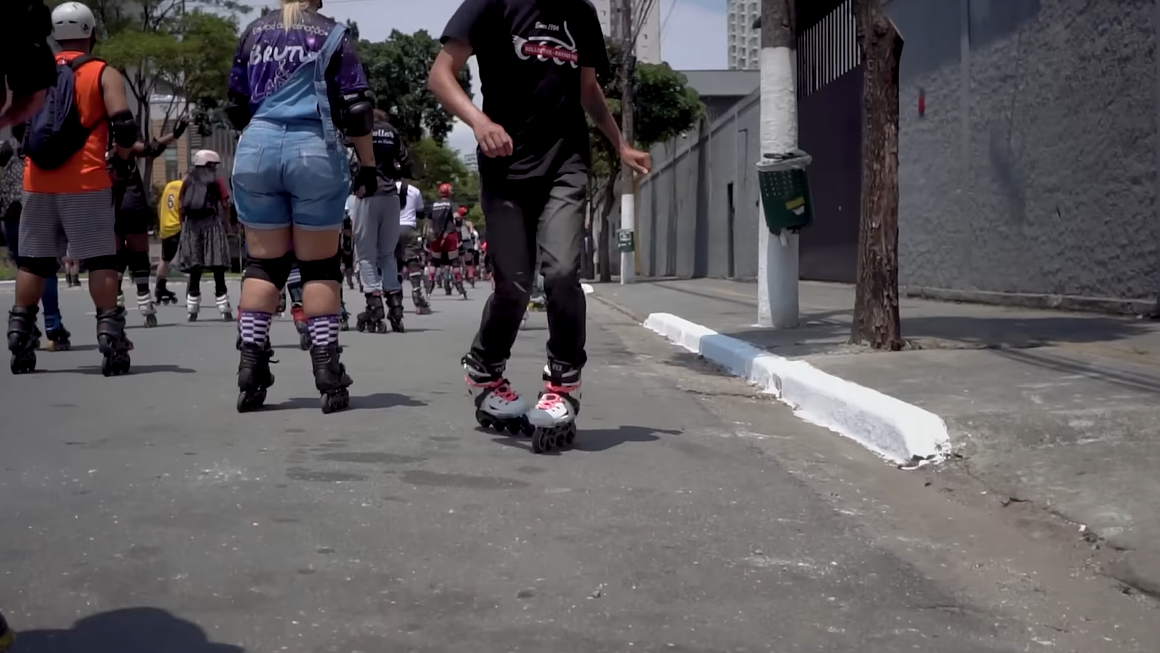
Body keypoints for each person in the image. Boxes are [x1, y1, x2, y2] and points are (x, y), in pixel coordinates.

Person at [429, 0, 652, 450]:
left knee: (563, 270)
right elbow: (440, 74)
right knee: (512, 286)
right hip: (504, 165)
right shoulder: (491, 4)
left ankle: (564, 383)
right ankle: (484, 370)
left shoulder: (582, 14)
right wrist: (479, 121)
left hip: (565, 164)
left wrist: (620, 145)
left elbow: (588, 91)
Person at [227, 0, 377, 414]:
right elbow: (359, 112)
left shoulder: (253, 33)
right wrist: (367, 166)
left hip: (255, 150)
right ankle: (328, 372)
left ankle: (251, 368)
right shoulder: (330, 32)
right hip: (312, 150)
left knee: (264, 265)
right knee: (318, 267)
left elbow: (236, 105)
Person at [8, 1, 140, 376]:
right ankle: (111, 335)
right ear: (92, 34)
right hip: (87, 180)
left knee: (34, 260)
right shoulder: (102, 72)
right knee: (100, 260)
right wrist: (123, 158)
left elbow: (19, 129)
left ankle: (20, 333)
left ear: (53, 34)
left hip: (37, 182)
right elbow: (125, 127)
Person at [109, 117, 188, 326]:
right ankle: (144, 302)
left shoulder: (105, 153)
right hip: (133, 204)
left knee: (116, 258)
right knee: (138, 256)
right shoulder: (132, 149)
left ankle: (116, 302)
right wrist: (175, 134)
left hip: (111, 206)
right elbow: (153, 148)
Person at [0, 124, 70, 350]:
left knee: (26, 270)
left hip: (10, 215)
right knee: (45, 269)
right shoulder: (44, 145)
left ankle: (25, 326)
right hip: (36, 208)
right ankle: (53, 327)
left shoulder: (7, 148)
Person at [352, 109, 410, 334]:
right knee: (387, 254)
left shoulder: (362, 130)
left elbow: (350, 159)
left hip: (368, 195)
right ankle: (396, 308)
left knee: (366, 255)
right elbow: (405, 163)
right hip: (391, 197)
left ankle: (375, 304)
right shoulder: (392, 133)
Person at [177, 150, 233, 322]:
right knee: (217, 267)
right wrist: (227, 224)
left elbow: (180, 205)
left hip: (191, 226)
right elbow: (225, 203)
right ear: (210, 164)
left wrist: (183, 226)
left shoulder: (188, 180)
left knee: (195, 268)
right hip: (211, 224)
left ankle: (192, 308)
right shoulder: (216, 180)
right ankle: (224, 307)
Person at [395, 177, 430, 314]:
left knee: (395, 263)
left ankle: (396, 297)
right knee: (412, 261)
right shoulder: (414, 191)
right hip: (409, 229)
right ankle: (416, 292)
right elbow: (421, 213)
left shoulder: (386, 189)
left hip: (390, 230)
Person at [424, 183, 465, 298]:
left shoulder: (433, 205)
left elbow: (428, 223)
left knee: (434, 262)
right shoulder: (452, 204)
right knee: (455, 262)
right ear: (449, 192)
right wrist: (459, 225)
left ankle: (429, 289)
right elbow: (457, 217)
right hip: (450, 235)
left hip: (436, 237)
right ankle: (460, 288)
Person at [155, 175, 183, 305]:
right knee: (189, 258)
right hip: (176, 227)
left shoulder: (168, 186)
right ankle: (192, 291)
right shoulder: (183, 187)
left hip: (165, 227)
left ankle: (160, 286)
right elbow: (182, 207)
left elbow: (160, 206)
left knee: (164, 259)